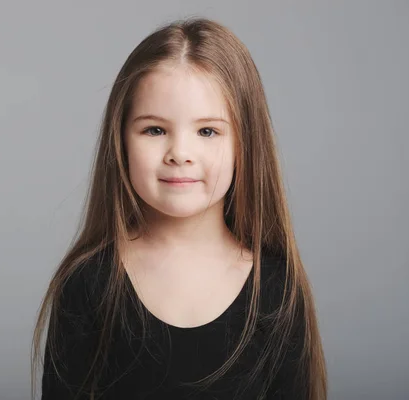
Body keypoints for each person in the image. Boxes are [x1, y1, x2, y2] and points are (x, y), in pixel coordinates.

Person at [31, 17, 328, 400]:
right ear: (120, 141)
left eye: (207, 131)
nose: (180, 154)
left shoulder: (275, 288)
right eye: (155, 130)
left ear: (245, 144)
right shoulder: (88, 284)